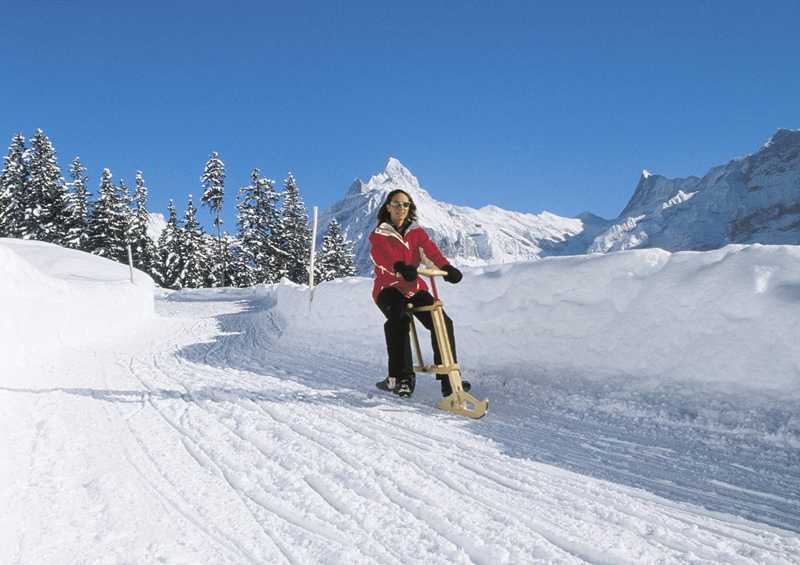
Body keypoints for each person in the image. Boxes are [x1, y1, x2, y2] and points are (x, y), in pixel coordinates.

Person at [369, 188, 469, 398]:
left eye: (405, 204)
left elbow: (430, 252)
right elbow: (381, 257)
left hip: (413, 287)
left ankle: (448, 379)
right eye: (396, 204)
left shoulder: (416, 232)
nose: (401, 208)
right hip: (388, 287)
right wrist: (398, 266)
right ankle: (401, 377)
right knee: (399, 318)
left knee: (441, 319)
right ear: (388, 207)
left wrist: (446, 268)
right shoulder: (379, 234)